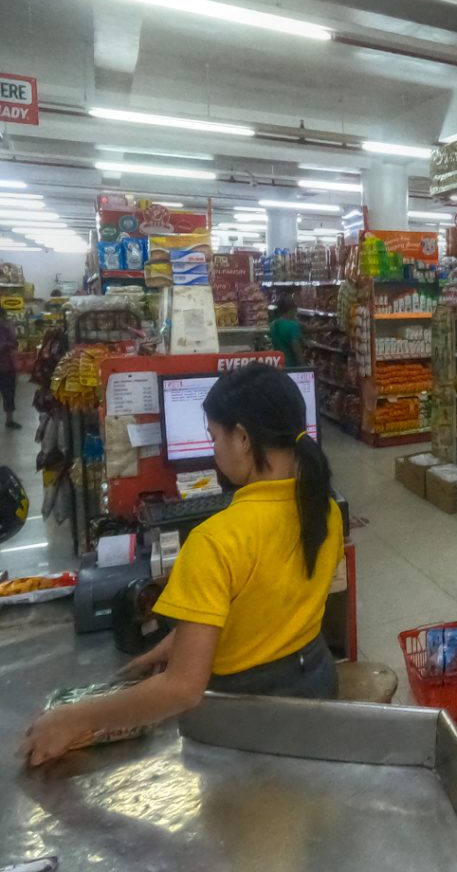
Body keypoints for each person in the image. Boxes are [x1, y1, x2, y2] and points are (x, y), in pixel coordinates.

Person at [22, 363, 344, 766]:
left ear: (242, 438)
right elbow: (267, 604)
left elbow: (182, 689)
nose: (213, 450)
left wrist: (72, 719)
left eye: (214, 437)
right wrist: (175, 643)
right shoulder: (324, 510)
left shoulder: (215, 540)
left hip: (247, 719)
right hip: (315, 686)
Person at [270, 295, 305, 368]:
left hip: (277, 366)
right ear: (293, 309)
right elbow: (297, 351)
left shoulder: (272, 324)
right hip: (290, 367)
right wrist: (303, 367)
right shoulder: (293, 327)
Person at [0, 308, 21, 430]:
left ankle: (9, 420)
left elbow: (14, 342)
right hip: (5, 367)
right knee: (8, 393)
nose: (3, 320)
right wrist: (8, 344)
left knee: (9, 394)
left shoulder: (6, 329)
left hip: (7, 367)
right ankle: (9, 420)